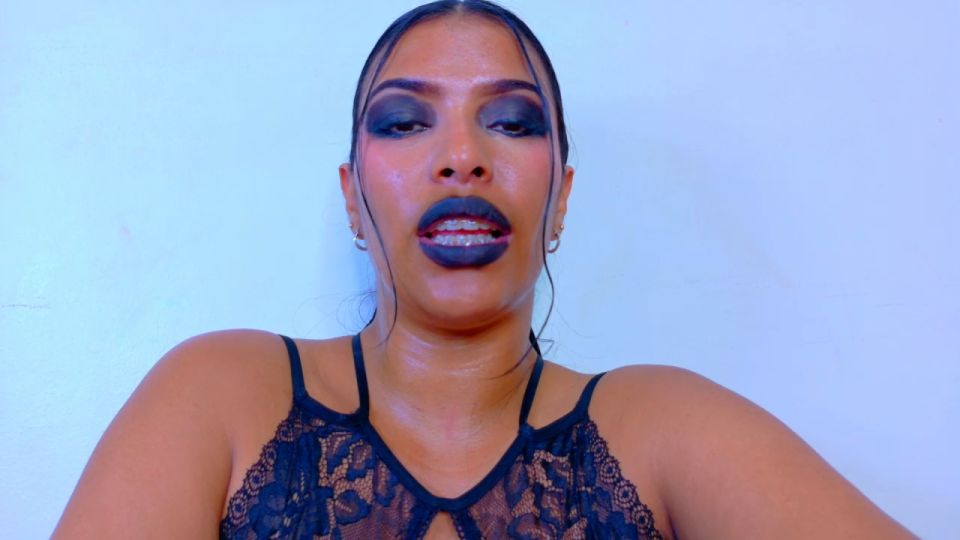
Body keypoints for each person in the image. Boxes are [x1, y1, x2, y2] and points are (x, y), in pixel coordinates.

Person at [54, 1, 915, 538]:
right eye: (404, 123)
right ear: (353, 200)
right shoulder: (220, 396)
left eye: (511, 122)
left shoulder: (662, 426)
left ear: (562, 199)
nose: (461, 156)